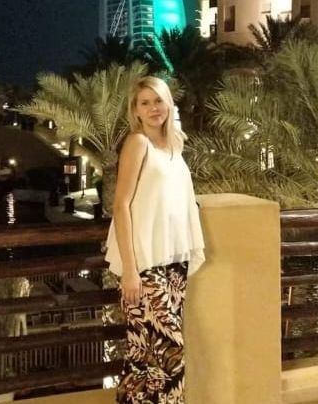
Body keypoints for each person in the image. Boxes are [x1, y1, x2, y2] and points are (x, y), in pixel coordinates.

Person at [104, 76, 205, 403]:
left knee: (142, 353)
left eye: (158, 100)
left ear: (168, 103)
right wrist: (130, 270)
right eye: (144, 103)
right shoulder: (138, 143)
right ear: (135, 110)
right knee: (172, 352)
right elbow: (121, 205)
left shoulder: (174, 145)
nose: (153, 108)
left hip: (173, 262)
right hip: (144, 264)